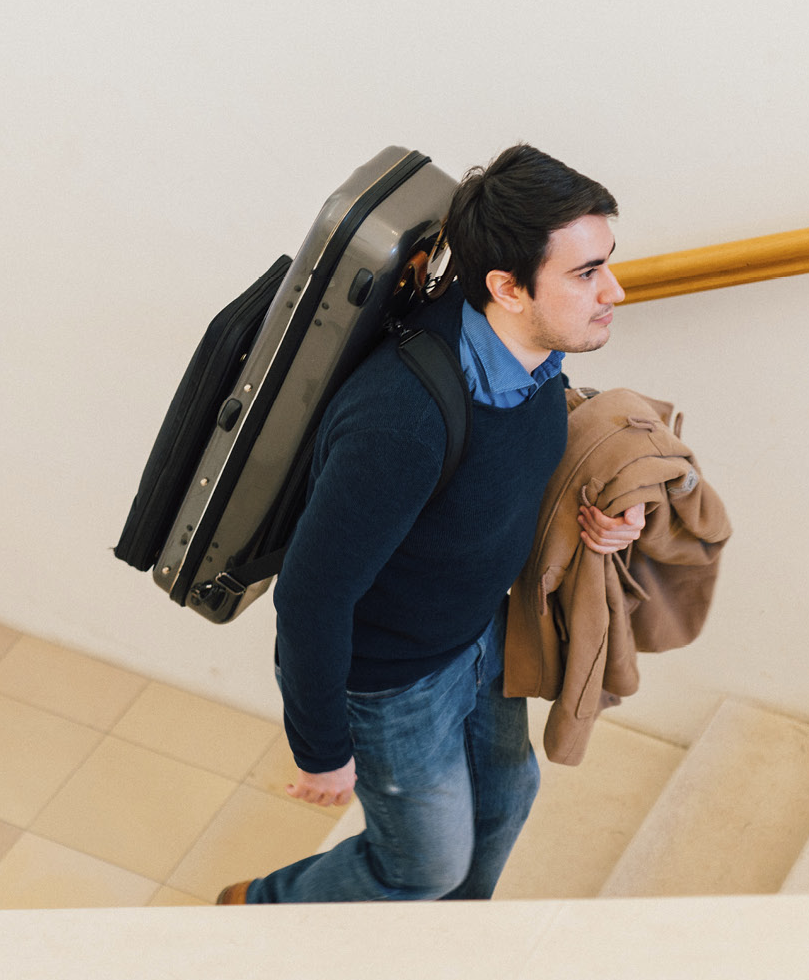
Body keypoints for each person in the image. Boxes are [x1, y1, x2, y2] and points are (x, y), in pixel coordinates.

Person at [219, 143, 638, 905]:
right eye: (585, 273)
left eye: (605, 262)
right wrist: (321, 749)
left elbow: (512, 454)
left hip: (477, 636)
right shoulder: (401, 421)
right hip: (393, 682)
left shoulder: (530, 356)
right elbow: (310, 597)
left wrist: (604, 503)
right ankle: (258, 905)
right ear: (506, 287)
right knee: (422, 866)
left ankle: (447, 939)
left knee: (506, 800)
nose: (614, 288)